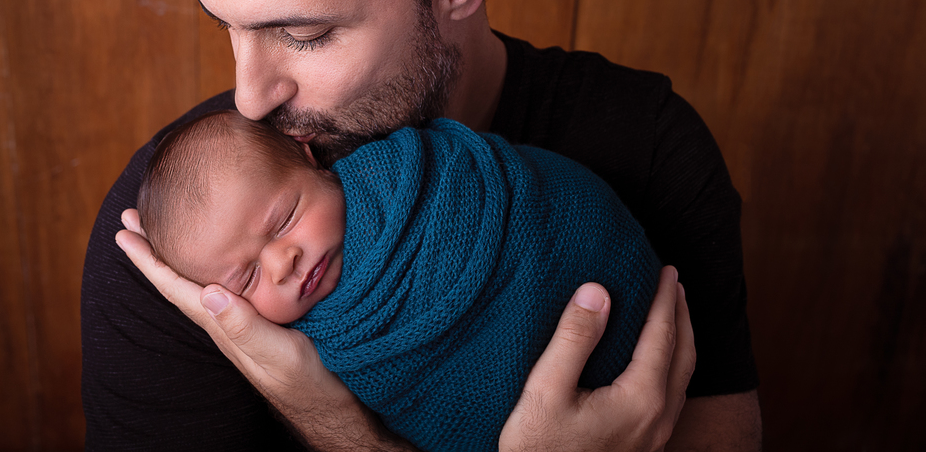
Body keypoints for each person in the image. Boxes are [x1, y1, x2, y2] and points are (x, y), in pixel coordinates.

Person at [82, 0, 761, 451]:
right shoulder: (190, 239)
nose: (250, 97)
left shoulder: (649, 144)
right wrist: (331, 423)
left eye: (303, 34)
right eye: (227, 25)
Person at [136, 109, 662, 452]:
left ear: (311, 157)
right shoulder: (303, 342)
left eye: (285, 220)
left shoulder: (413, 177)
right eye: (248, 278)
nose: (283, 264)